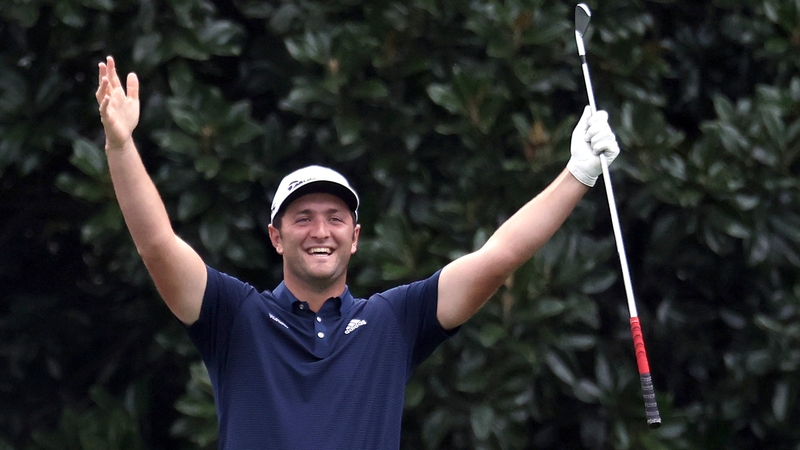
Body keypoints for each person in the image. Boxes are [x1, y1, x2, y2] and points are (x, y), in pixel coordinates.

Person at [96, 55, 619, 449]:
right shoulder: (234, 316)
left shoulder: (394, 320)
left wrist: (578, 173)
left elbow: (498, 256)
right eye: (302, 217)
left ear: (356, 235)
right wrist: (121, 147)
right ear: (276, 236)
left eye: (335, 218)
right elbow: (157, 244)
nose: (320, 231)